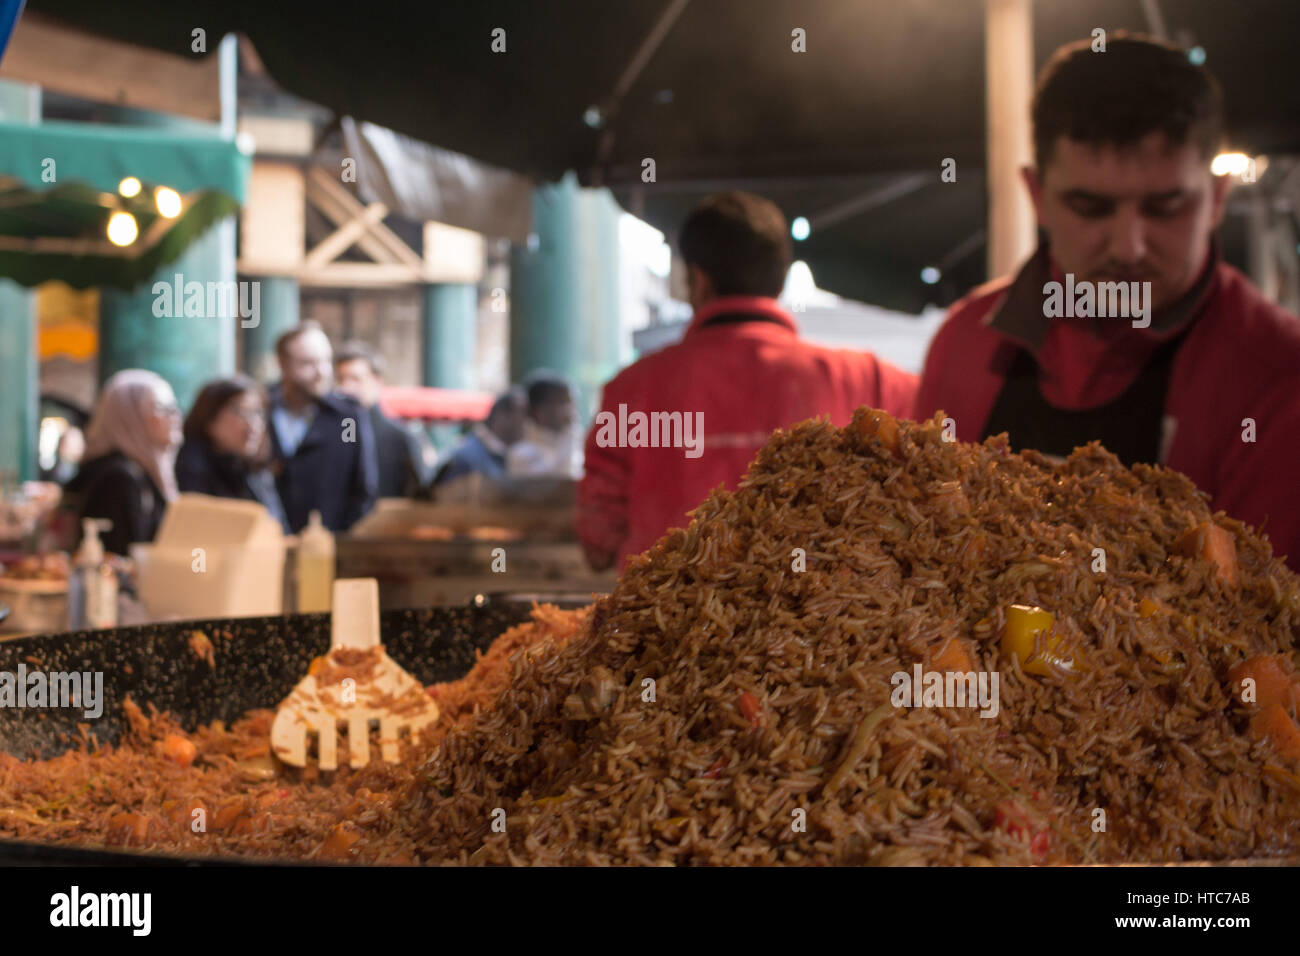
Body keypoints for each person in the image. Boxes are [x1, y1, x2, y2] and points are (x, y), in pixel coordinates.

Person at [915, 35, 1300, 570]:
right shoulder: (965, 342)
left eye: (1165, 207)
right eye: (1090, 207)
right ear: (1035, 195)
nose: (1128, 248)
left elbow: (1270, 629)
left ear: (1216, 198)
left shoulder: (1279, 376)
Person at [578, 190, 918, 571]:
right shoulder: (873, 382)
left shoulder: (629, 392)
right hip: (823, 626)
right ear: (781, 278)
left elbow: (598, 540)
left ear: (698, 280)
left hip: (670, 626)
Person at [267, 322, 377, 533]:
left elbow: (362, 487)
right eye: (309, 363)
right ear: (282, 364)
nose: (322, 372)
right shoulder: (261, 411)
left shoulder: (347, 418)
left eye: (326, 361)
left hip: (328, 546)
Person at [63, 369, 181, 556]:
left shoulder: (143, 472)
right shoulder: (118, 479)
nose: (175, 417)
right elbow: (118, 561)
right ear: (129, 416)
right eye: (162, 408)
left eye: (174, 407)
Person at [174, 376, 287, 529]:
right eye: (241, 412)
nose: (253, 425)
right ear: (209, 417)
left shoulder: (257, 470)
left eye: (258, 413)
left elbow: (279, 530)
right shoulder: (190, 468)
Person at [334, 341, 431, 498]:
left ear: (377, 381)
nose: (347, 387)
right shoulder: (340, 431)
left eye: (355, 379)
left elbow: (421, 494)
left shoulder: (401, 438)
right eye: (341, 379)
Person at [434, 388, 527, 485]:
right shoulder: (466, 458)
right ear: (502, 416)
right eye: (524, 414)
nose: (527, 423)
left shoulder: (510, 455)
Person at [506, 372, 582, 479]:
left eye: (571, 403)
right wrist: (570, 434)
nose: (571, 410)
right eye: (564, 402)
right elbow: (561, 481)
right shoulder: (520, 454)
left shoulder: (577, 444)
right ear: (539, 410)